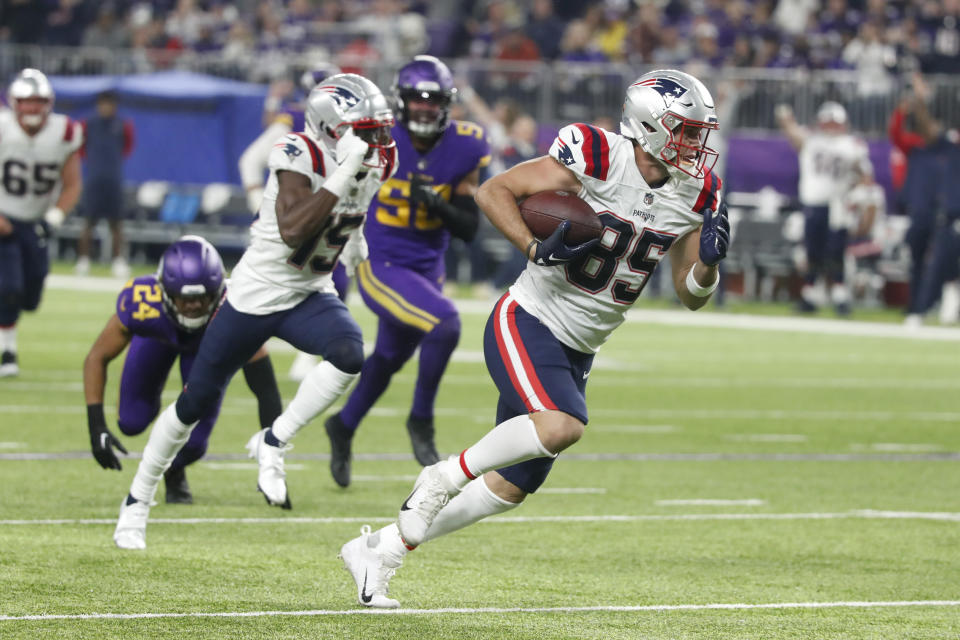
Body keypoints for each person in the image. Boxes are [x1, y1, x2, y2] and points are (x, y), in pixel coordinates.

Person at [338, 69, 731, 608]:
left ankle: (381, 550)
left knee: (511, 486)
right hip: (530, 317)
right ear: (650, 126)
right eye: (686, 131)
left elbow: (691, 294)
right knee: (561, 425)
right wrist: (531, 245)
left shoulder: (697, 189)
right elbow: (493, 190)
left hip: (582, 345)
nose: (696, 144)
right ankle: (442, 476)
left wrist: (707, 264)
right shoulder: (598, 154)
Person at [113, 73, 397, 550]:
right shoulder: (295, 152)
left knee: (350, 352)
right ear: (332, 128)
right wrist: (343, 172)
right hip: (255, 295)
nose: (379, 140)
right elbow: (293, 229)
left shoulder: (374, 160)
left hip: (309, 291)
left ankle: (274, 440)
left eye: (379, 129)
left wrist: (356, 240)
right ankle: (137, 501)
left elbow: (355, 204)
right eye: (367, 130)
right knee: (193, 403)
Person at [323, 55, 490, 488]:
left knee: (391, 355)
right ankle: (421, 421)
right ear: (401, 101)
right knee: (445, 324)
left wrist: (438, 204)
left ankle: (343, 424)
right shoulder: (376, 136)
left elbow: (470, 229)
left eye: (432, 100)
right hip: (381, 261)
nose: (423, 107)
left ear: (447, 104)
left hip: (427, 267)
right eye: (416, 99)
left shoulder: (466, 145)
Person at [83, 236, 283, 504]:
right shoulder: (143, 302)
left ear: (217, 291)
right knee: (130, 421)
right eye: (185, 298)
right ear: (165, 291)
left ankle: (174, 471)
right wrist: (96, 426)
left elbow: (265, 387)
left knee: (194, 445)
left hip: (208, 347)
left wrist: (273, 467)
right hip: (157, 337)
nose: (195, 306)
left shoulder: (235, 307)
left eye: (203, 297)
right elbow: (96, 357)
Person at [236, 62, 351, 382]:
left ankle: (305, 356)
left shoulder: (348, 128)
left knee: (331, 284)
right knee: (269, 284)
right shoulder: (297, 121)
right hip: (295, 221)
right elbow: (250, 159)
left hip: (325, 218)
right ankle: (237, 344)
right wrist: (259, 203)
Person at [0, 69, 83, 378]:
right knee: (8, 288)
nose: (32, 109)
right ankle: (7, 352)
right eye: (25, 102)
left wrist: (53, 219)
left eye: (38, 101)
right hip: (4, 219)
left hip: (35, 222)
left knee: (31, 297)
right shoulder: (3, 128)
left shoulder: (64, 132)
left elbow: (73, 184)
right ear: (13, 103)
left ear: (49, 103)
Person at [776, 101, 871, 315]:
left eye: (834, 122)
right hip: (813, 203)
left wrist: (855, 194)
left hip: (838, 204)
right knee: (812, 251)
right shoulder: (812, 141)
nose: (830, 127)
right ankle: (811, 295)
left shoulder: (852, 145)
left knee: (836, 252)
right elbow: (794, 135)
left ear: (843, 123)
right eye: (827, 122)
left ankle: (840, 296)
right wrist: (785, 118)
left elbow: (865, 176)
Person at [76, 90, 135, 279]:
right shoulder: (88, 124)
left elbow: (127, 148)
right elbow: (81, 148)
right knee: (88, 222)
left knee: (116, 224)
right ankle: (83, 261)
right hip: (94, 180)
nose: (106, 107)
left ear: (115, 106)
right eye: (103, 103)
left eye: (109, 104)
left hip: (114, 180)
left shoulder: (123, 126)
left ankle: (118, 262)